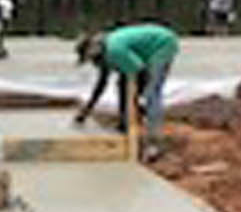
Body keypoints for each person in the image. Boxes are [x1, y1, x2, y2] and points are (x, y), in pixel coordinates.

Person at [73, 23, 180, 159]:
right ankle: (124, 124)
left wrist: (136, 102)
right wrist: (86, 111)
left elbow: (139, 72)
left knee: (151, 93)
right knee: (123, 85)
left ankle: (154, 143)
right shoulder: (105, 51)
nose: (93, 64)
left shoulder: (114, 51)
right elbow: (101, 84)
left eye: (91, 59)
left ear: (94, 51)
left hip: (161, 44)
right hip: (144, 52)